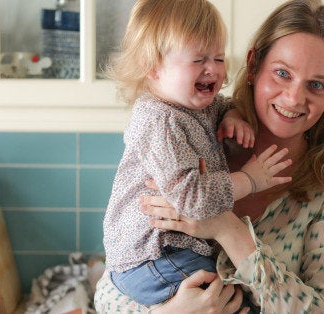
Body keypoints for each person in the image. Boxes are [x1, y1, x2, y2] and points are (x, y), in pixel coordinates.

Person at [94, 0, 324, 312]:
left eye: (316, 85)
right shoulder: (189, 131)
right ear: (253, 65)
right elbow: (109, 290)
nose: (295, 97)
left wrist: (226, 229)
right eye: (282, 73)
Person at [101, 0, 292, 310]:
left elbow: (223, 104)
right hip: (151, 259)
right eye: (199, 59)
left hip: (165, 256)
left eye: (218, 57)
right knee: (242, 304)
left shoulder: (194, 105)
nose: (213, 69)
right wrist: (250, 180)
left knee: (237, 301)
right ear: (153, 66)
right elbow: (191, 200)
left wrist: (232, 114)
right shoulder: (160, 120)